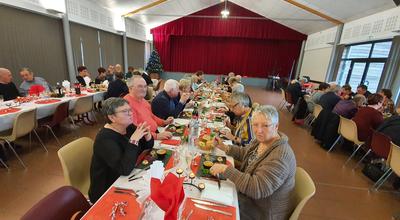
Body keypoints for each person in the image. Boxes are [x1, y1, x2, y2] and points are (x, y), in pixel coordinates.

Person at [210, 105, 296, 219]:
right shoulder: (263, 140)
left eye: (265, 125)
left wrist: (225, 169)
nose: (258, 130)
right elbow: (246, 153)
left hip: (260, 211)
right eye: (255, 125)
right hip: (248, 199)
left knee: (213, 208)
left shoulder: (280, 157)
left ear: (276, 126)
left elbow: (256, 189)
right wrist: (223, 147)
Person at [88, 98, 154, 203]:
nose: (130, 114)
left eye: (130, 110)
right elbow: (124, 169)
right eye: (124, 111)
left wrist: (148, 136)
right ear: (112, 117)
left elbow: (147, 147)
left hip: (128, 176)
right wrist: (133, 141)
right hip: (107, 189)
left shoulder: (128, 127)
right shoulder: (105, 139)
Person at [124, 76, 173, 140]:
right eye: (140, 86)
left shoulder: (143, 100)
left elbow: (151, 116)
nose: (144, 89)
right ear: (130, 88)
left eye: (145, 86)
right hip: (144, 139)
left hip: (154, 133)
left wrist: (164, 122)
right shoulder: (127, 104)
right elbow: (134, 130)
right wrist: (156, 136)